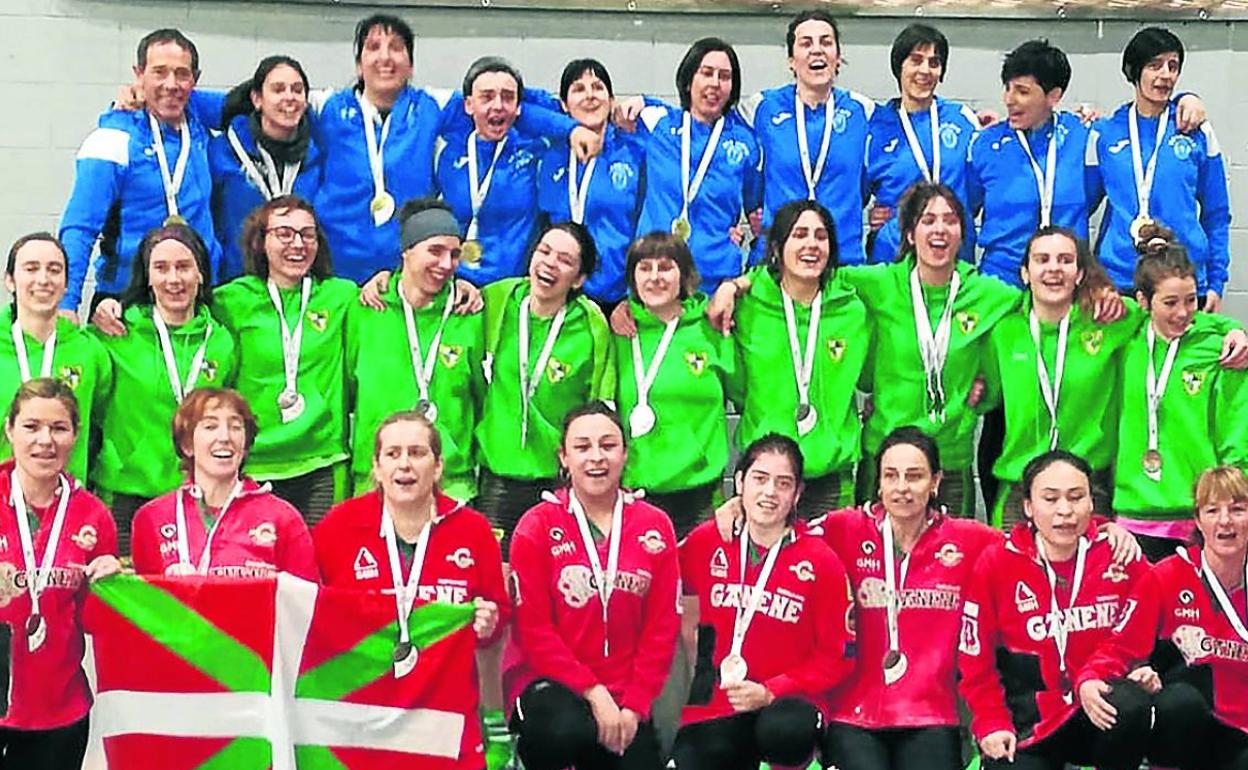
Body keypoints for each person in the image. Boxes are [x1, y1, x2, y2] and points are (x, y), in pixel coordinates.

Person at [310, 14, 598, 284]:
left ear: (411, 65)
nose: (385, 57)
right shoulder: (326, 108)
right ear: (359, 64)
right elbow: (278, 106)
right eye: (373, 47)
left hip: (407, 269)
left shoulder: (432, 105)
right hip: (336, 268)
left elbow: (508, 107)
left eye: (396, 47)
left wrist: (570, 129)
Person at [315, 410, 507, 770]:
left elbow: (495, 627)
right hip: (360, 717)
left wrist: (488, 620)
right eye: (393, 454)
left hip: (444, 716)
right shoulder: (338, 528)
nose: (405, 464)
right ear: (375, 468)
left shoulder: (473, 531)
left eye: (417, 453)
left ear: (437, 468)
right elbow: (308, 617)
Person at [815, 427, 1003, 770]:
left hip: (931, 713)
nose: (902, 487)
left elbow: (1036, 542)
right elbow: (780, 532)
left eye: (914, 476)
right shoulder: (843, 528)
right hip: (854, 712)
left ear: (935, 482)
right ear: (879, 483)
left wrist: (1100, 530)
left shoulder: (968, 539)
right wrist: (736, 507)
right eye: (891, 476)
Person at [505, 402, 679, 770]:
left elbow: (661, 629)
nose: (596, 457)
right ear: (564, 457)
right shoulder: (536, 525)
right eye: (582, 447)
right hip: (553, 689)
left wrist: (634, 706)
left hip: (627, 696)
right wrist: (595, 693)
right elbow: (534, 631)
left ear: (625, 453)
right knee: (566, 731)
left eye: (608, 445)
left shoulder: (655, 526)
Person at [959, 451, 1152, 770]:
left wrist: (1143, 666)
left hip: (1095, 708)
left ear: (1092, 503)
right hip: (1030, 718)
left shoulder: (1117, 553)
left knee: (1130, 705)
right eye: (1050, 499)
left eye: (1076, 497)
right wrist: (991, 721)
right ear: (1028, 508)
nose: (1065, 511)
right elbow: (974, 659)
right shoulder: (996, 563)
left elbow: (1152, 616)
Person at [838, 182, 1021, 517]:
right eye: (928, 220)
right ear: (909, 234)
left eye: (950, 220)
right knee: (878, 564)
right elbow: (809, 274)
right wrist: (739, 284)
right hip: (886, 456)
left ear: (962, 234)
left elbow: (1046, 297)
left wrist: (985, 381)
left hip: (949, 457)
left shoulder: (988, 294)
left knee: (949, 564)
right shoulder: (880, 284)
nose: (940, 229)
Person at [674, 433, 852, 770]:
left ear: (798, 493)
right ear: (739, 482)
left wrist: (772, 690)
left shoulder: (820, 560)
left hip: (791, 703)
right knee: (697, 756)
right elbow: (652, 573)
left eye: (783, 483)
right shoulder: (707, 541)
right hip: (720, 699)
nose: (770, 492)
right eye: (759, 479)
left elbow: (840, 654)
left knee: (783, 733)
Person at [1077, 466, 1248, 770]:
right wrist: (1089, 679)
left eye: (1237, 509)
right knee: (1179, 702)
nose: (1225, 521)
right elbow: (1120, 646)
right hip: (1190, 724)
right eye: (1212, 510)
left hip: (1242, 731)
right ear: (1197, 520)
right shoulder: (1167, 576)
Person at [707, 200, 868, 518]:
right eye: (800, 234)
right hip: (767, 476)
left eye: (821, 236)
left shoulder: (853, 311)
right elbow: (737, 387)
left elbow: (872, 375)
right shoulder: (748, 307)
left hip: (831, 475)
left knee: (830, 567)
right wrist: (732, 285)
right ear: (778, 249)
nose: (811, 245)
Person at [90, 224, 237, 555]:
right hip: (126, 492)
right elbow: (94, 407)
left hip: (197, 495)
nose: (174, 279)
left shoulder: (222, 341)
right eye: (162, 268)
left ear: (200, 274)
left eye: (184, 267)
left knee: (185, 599)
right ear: (147, 276)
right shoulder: (117, 333)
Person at [211, 196, 357, 524]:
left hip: (321, 459)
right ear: (260, 241)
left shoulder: (342, 296)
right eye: (284, 234)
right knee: (256, 566)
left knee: (318, 567)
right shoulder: (230, 301)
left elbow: (402, 291)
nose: (298, 244)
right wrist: (114, 308)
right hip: (255, 462)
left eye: (308, 235)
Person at [474, 223, 615, 554]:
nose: (550, 263)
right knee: (500, 584)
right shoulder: (497, 299)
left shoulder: (591, 324)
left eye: (565, 260)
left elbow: (599, 405)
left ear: (578, 279)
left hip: (558, 478)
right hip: (498, 476)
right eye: (544, 252)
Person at [0, 378, 118, 769]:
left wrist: (113, 585)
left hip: (60, 710)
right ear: (9, 429)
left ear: (75, 435)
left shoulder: (93, 516)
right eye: (32, 426)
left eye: (59, 428)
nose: (45, 441)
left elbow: (96, 622)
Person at [60, 28, 218, 316]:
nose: (171, 84)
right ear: (138, 73)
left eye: (182, 74)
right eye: (159, 72)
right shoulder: (111, 140)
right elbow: (79, 228)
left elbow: (255, 101)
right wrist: (67, 303)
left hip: (195, 297)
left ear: (195, 79)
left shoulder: (198, 127)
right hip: (126, 298)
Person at [983, 227, 1134, 529]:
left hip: (1088, 484)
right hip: (1020, 484)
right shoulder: (1003, 331)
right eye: (1042, 259)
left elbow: (1176, 316)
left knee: (1085, 575)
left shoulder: (1110, 320)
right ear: (1026, 273)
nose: (1054, 268)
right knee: (1014, 573)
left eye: (1065, 260)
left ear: (1080, 274)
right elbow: (986, 396)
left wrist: (1229, 332)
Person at [1112, 240, 1248, 561]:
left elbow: (1236, 432)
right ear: (1144, 302)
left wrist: (1231, 499)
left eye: (1190, 300)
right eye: (1170, 303)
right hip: (1134, 512)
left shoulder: (1218, 350)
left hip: (1199, 513)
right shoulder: (1125, 342)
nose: (1183, 312)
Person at [348, 198, 485, 501]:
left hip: (451, 485)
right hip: (375, 483)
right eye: (434, 251)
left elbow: (481, 396)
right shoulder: (365, 310)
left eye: (454, 254)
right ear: (406, 252)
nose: (446, 264)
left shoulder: (471, 314)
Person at [1089, 27, 1230, 311]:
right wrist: (1091, 278)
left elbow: (1216, 213)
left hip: (1184, 281)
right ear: (1134, 71)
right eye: (1154, 65)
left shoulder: (1196, 132)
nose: (1165, 74)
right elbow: (1079, 208)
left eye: (1173, 66)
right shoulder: (1104, 133)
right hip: (1120, 282)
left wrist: (1216, 281)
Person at [615, 233, 738, 539]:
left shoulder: (712, 328)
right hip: (636, 492)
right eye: (645, 268)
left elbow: (744, 395)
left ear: (684, 275)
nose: (655, 277)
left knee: (698, 586)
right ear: (632, 278)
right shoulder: (617, 331)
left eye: (666, 267)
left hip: (700, 491)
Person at [126, 387, 317, 580]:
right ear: (187, 445)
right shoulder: (152, 518)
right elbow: (142, 605)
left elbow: (308, 602)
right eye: (210, 426)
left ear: (245, 444)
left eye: (235, 427)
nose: (225, 437)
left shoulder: (282, 518)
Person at [742, 11, 872, 265]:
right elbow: (705, 123)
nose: (817, 50)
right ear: (791, 60)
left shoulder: (863, 111)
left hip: (843, 261)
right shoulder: (761, 108)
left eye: (826, 42)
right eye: (806, 43)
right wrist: (646, 104)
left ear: (838, 57)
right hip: (776, 261)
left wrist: (890, 210)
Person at [633, 37, 762, 294]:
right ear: (689, 79)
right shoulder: (656, 123)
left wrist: (746, 250)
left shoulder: (746, 142)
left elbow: (759, 213)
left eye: (724, 76)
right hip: (654, 274)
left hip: (715, 278)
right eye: (707, 73)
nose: (715, 83)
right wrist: (639, 101)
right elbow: (597, 112)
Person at [438, 56, 578, 287]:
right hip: (456, 285)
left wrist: (526, 102)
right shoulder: (447, 152)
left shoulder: (534, 149)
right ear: (468, 105)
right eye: (486, 96)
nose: (497, 105)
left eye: (508, 97)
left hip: (513, 289)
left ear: (520, 107)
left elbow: (562, 109)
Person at [0, 234, 112, 481]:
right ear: (10, 280)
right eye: (31, 268)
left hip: (67, 507)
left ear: (65, 283)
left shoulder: (90, 351)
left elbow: (100, 426)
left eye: (54, 270)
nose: (43, 280)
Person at [865, 23, 980, 264]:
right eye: (916, 60)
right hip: (894, 255)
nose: (925, 70)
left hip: (954, 253)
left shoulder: (962, 119)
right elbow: (852, 193)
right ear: (899, 66)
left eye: (934, 62)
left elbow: (979, 189)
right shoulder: (875, 126)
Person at [538, 59, 646, 306]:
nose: (590, 96)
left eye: (598, 87)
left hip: (617, 299)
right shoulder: (549, 152)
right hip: (557, 293)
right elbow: (521, 101)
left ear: (611, 100)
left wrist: (632, 298)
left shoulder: (634, 151)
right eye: (578, 89)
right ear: (563, 105)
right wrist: (568, 129)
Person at [209, 55, 323, 282]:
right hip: (237, 283)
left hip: (297, 285)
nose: (289, 97)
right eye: (278, 89)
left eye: (297, 90)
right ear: (257, 99)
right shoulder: (223, 150)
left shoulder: (316, 156)